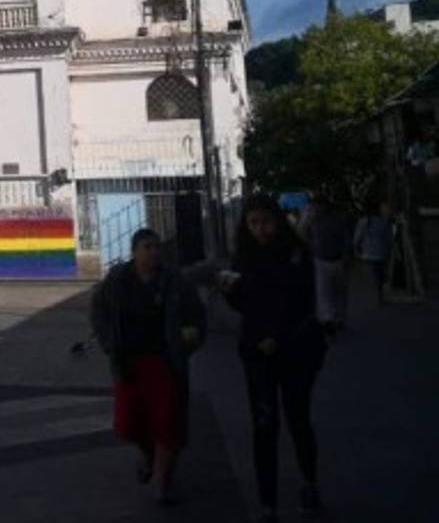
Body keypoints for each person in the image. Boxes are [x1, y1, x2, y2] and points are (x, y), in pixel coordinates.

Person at [220, 194, 326, 522]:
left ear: (277, 220)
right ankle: (268, 502)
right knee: (264, 426)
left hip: (296, 350)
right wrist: (230, 292)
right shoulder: (245, 257)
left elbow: (303, 304)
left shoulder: (296, 255)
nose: (261, 229)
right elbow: (245, 303)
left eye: (266, 221)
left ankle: (309, 481)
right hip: (258, 354)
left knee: (297, 419)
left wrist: (276, 336)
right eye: (253, 223)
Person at [90, 228, 206, 506]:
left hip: (164, 362)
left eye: (156, 247)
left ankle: (161, 481)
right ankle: (148, 453)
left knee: (167, 422)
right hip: (129, 362)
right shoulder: (118, 280)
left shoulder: (174, 281)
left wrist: (186, 343)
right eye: (146, 247)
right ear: (134, 251)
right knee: (129, 424)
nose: (153, 252)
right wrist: (108, 342)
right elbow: (98, 310)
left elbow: (196, 316)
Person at [299, 197, 348, 332]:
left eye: (318, 206)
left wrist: (345, 256)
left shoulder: (337, 218)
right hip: (320, 259)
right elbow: (302, 234)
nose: (316, 209)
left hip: (338, 258)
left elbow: (344, 238)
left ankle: (338, 318)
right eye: (314, 206)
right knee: (324, 291)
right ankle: (328, 320)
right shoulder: (310, 219)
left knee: (339, 291)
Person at [354, 201, 396, 306]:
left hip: (367, 254)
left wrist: (357, 249)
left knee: (371, 278)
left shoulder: (364, 221)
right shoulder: (383, 222)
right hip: (381, 254)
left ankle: (373, 298)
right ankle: (379, 297)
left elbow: (357, 238)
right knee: (380, 277)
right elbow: (389, 239)